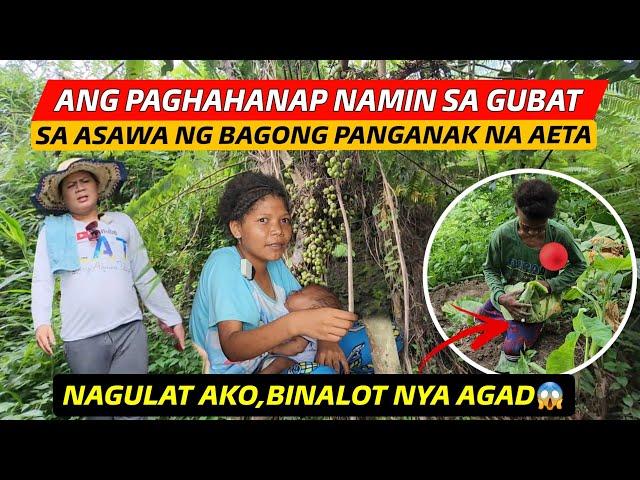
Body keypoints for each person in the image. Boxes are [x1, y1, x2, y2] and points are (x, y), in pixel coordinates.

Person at [189, 171, 364, 375]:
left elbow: (317, 302)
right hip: (241, 371)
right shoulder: (225, 264)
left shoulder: (274, 266)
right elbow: (232, 347)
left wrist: (327, 341)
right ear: (237, 228)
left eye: (285, 220)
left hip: (278, 359)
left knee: (375, 340)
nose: (278, 230)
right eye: (263, 220)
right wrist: (294, 324)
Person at [30, 158, 185, 378]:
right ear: (63, 197)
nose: (80, 188)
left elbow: (144, 274)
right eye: (71, 185)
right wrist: (42, 322)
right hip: (81, 337)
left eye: (85, 181)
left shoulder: (122, 223)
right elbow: (42, 280)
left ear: (97, 186)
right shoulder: (52, 232)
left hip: (129, 329)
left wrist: (170, 317)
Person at [481, 179, 587, 365]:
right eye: (526, 227)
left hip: (537, 303)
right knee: (481, 317)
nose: (531, 233)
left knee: (512, 352)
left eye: (539, 229)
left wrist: (551, 284)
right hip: (509, 296)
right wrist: (500, 296)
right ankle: (509, 320)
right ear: (516, 211)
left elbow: (579, 264)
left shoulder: (559, 234)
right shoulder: (503, 235)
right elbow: (490, 268)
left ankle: (532, 324)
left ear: (548, 219)